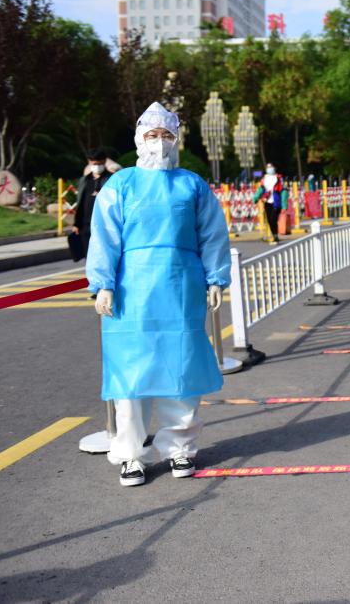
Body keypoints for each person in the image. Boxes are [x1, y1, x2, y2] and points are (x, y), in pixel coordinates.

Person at [87, 102, 231, 487]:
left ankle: (180, 447)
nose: (159, 142)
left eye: (166, 135)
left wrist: (216, 279)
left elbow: (212, 234)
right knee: (129, 376)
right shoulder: (121, 184)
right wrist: (102, 283)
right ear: (139, 139)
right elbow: (104, 236)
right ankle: (130, 454)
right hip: (130, 290)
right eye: (152, 135)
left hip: (181, 287)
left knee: (180, 371)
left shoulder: (192, 185)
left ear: (176, 139)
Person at [70, 150, 113, 261]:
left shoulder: (112, 179)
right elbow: (80, 202)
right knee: (88, 257)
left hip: (104, 224)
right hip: (86, 225)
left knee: (104, 257)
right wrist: (76, 224)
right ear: (89, 162)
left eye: (100, 163)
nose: (97, 166)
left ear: (105, 161)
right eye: (94, 164)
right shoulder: (84, 180)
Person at [253, 163, 288, 245]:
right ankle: (275, 236)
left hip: (276, 202)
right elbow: (261, 189)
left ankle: (275, 236)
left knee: (273, 219)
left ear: (274, 168)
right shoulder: (264, 179)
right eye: (268, 167)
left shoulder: (279, 178)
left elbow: (284, 192)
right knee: (269, 220)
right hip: (267, 202)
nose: (269, 168)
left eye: (271, 167)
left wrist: (284, 206)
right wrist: (256, 197)